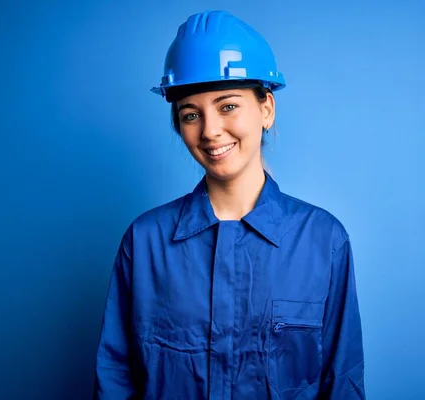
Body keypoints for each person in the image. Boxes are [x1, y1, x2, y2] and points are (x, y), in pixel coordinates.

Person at [94, 10, 365, 400]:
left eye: (228, 106)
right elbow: (115, 380)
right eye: (191, 114)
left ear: (266, 109)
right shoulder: (145, 243)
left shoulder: (324, 241)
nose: (209, 130)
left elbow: (343, 385)